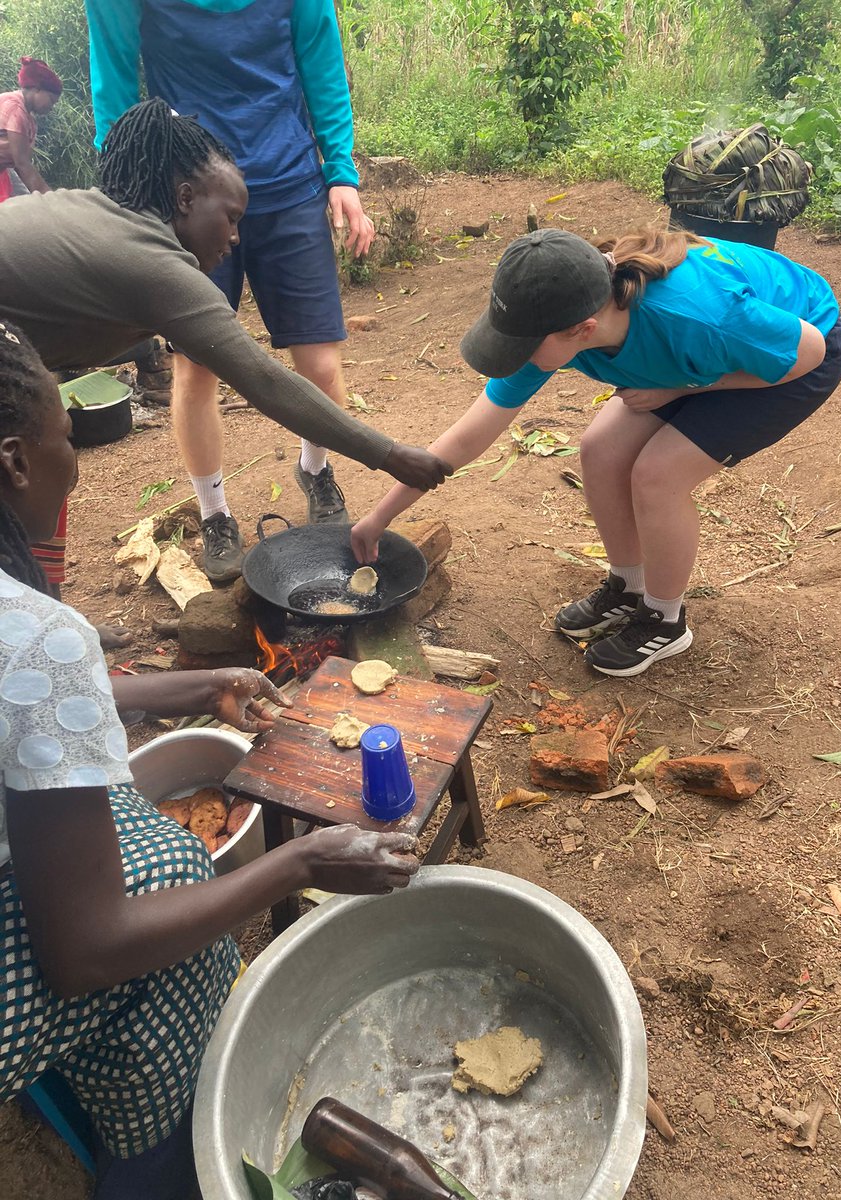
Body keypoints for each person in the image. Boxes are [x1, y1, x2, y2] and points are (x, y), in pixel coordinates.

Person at [0, 318, 420, 1199]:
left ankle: (86, 1083)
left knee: (159, 855)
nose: (71, 458)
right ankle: (161, 1167)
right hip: (58, 947)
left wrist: (170, 690)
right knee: (184, 921)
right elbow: (83, 950)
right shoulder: (36, 636)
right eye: (66, 437)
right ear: (15, 461)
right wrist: (297, 861)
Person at [351, 227, 841, 677]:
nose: (513, 356)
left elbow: (808, 352)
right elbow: (466, 437)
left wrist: (683, 389)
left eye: (519, 346)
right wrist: (379, 518)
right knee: (600, 449)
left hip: (784, 358)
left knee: (658, 475)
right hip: (686, 364)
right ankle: (627, 586)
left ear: (582, 332)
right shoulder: (565, 313)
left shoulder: (697, 313)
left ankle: (665, 620)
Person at [0, 99, 450, 593]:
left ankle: (42, 610)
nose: (235, 238)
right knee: (42, 455)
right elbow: (264, 379)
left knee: (40, 450)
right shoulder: (152, 265)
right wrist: (389, 455)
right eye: (231, 217)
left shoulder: (100, 215)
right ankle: (37, 626)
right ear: (186, 197)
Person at [86, 0, 376, 582]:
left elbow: (320, 59)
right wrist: (126, 195)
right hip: (187, 196)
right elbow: (113, 74)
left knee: (319, 364)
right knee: (195, 369)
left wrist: (341, 172)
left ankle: (316, 470)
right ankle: (215, 513)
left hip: (290, 180)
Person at [0, 56, 62, 203]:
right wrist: (53, 201)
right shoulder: (15, 109)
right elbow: (22, 164)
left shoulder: (28, 118)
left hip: (5, 171)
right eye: (51, 100)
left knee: (27, 202)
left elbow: (20, 164)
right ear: (37, 89)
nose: (51, 107)